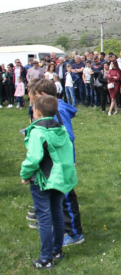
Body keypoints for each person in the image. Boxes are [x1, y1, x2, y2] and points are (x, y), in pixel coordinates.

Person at [20, 95, 78, 269]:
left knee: (44, 217)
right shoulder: (61, 129)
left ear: (36, 112)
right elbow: (67, 155)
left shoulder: (38, 131)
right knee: (57, 213)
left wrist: (25, 174)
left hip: (43, 181)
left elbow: (34, 158)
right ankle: (56, 250)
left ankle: (46, 258)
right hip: (59, 179)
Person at [29, 79, 84, 248]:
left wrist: (66, 161)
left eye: (34, 97)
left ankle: (75, 234)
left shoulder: (57, 110)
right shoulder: (53, 108)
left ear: (43, 95)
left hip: (61, 162)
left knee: (66, 196)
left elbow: (67, 137)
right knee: (56, 195)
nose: (31, 101)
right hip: (54, 162)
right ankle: (56, 223)